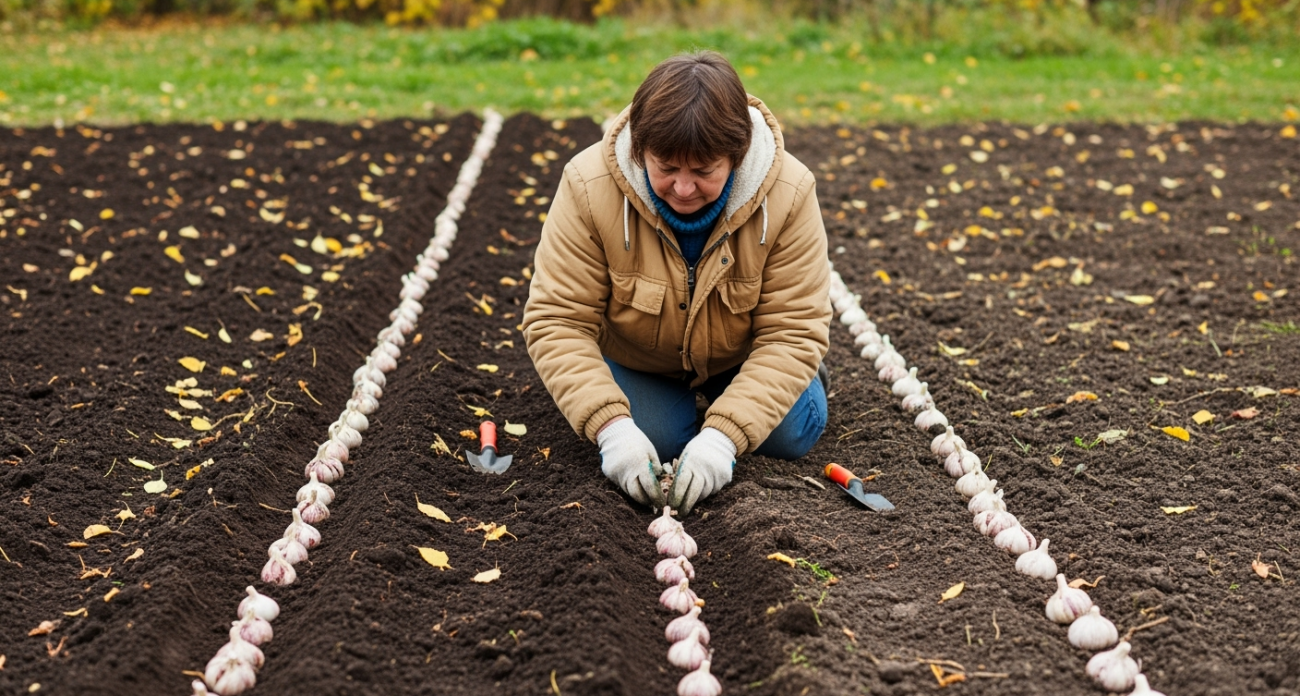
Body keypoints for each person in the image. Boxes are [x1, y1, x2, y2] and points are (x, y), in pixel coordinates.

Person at [523, 51, 831, 515]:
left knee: (790, 435)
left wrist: (724, 439)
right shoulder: (588, 186)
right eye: (665, 167)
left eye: (704, 171)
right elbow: (557, 321)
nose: (683, 189)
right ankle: (655, 407)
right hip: (641, 357)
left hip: (741, 352)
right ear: (638, 148)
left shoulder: (788, 193)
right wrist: (612, 429)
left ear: (737, 154)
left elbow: (794, 329)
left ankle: (781, 390)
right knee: (657, 441)